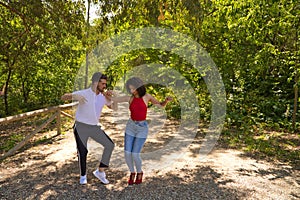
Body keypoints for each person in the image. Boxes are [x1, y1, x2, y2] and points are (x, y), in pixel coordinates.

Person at [111, 77, 172, 185]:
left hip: (142, 128)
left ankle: (139, 172)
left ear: (139, 87)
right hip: (130, 126)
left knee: (135, 154)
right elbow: (115, 100)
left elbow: (160, 105)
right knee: (127, 153)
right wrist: (108, 94)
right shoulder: (129, 98)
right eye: (130, 89)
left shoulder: (147, 97)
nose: (132, 91)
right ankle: (132, 172)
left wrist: (166, 101)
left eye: (133, 89)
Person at [61, 72, 115, 185]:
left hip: (94, 127)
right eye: (103, 84)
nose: (105, 86)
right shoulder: (84, 93)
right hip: (81, 127)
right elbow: (63, 97)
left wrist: (110, 98)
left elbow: (114, 108)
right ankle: (83, 176)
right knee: (83, 151)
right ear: (96, 82)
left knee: (110, 145)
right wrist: (74, 96)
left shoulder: (102, 96)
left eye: (105, 84)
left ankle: (100, 171)